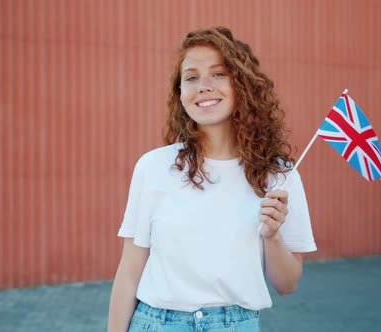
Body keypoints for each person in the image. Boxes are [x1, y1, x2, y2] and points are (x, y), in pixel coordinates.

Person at [107, 26, 316, 332]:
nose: (203, 85)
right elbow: (129, 270)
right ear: (180, 93)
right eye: (191, 77)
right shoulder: (153, 167)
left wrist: (272, 237)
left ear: (242, 84)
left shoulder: (280, 176)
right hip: (157, 323)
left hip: (237, 324)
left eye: (218, 73)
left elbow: (287, 284)